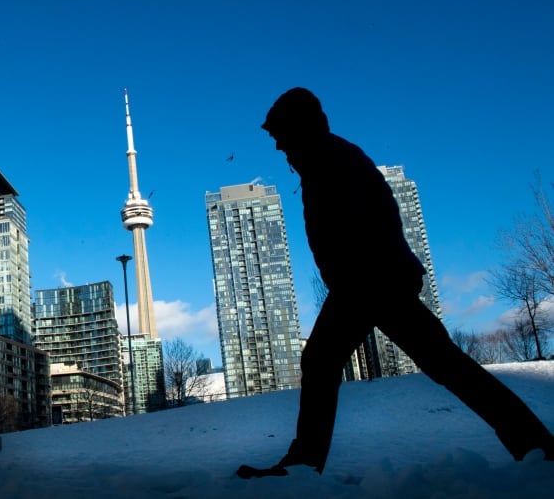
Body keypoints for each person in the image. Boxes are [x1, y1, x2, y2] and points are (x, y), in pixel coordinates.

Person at [237, 87, 554, 479]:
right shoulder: (326, 158)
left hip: (369, 281)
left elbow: (368, 223)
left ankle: (303, 465)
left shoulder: (330, 160)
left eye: (280, 134)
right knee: (444, 364)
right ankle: (537, 445)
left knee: (324, 361)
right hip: (371, 280)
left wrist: (357, 277)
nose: (278, 145)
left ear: (299, 127)